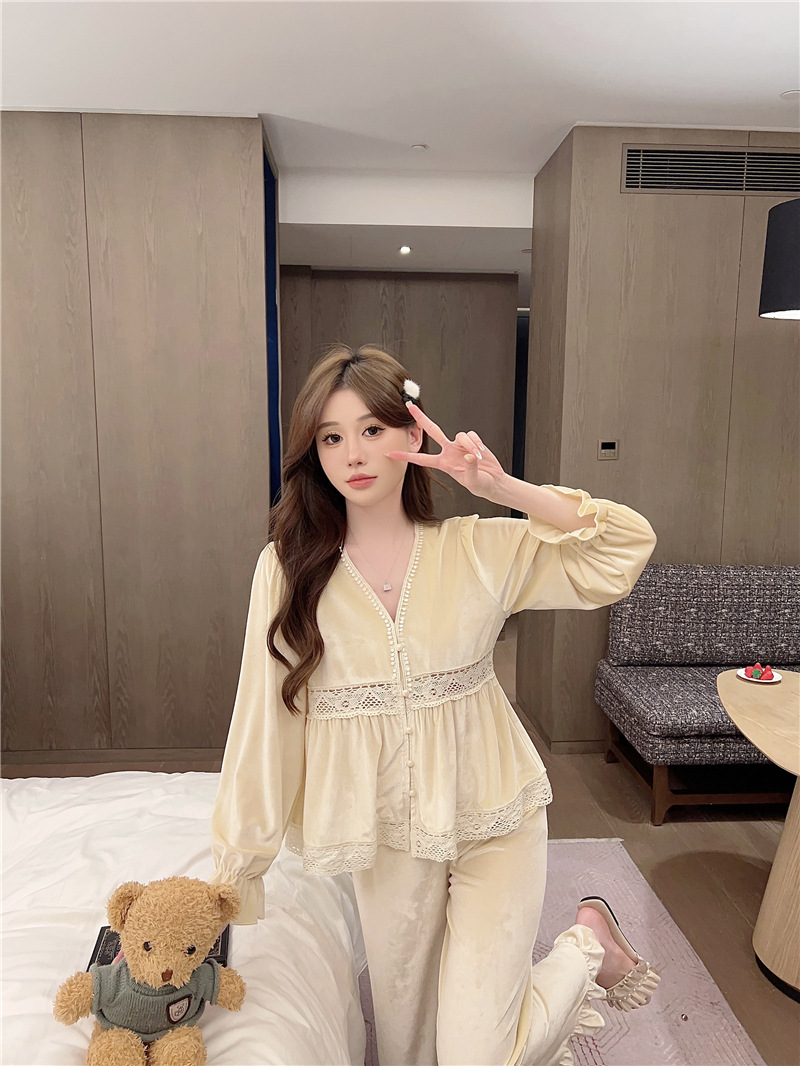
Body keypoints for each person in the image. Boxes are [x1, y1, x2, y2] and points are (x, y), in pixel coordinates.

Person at [210, 344, 660, 1066]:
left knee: (477, 1054)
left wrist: (503, 487)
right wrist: (236, 869)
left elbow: (621, 552)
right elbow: (263, 723)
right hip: (387, 831)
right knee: (409, 1048)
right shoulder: (289, 571)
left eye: (372, 430)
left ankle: (586, 945)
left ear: (412, 434)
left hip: (494, 815)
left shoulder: (477, 550)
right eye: (331, 437)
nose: (353, 454)